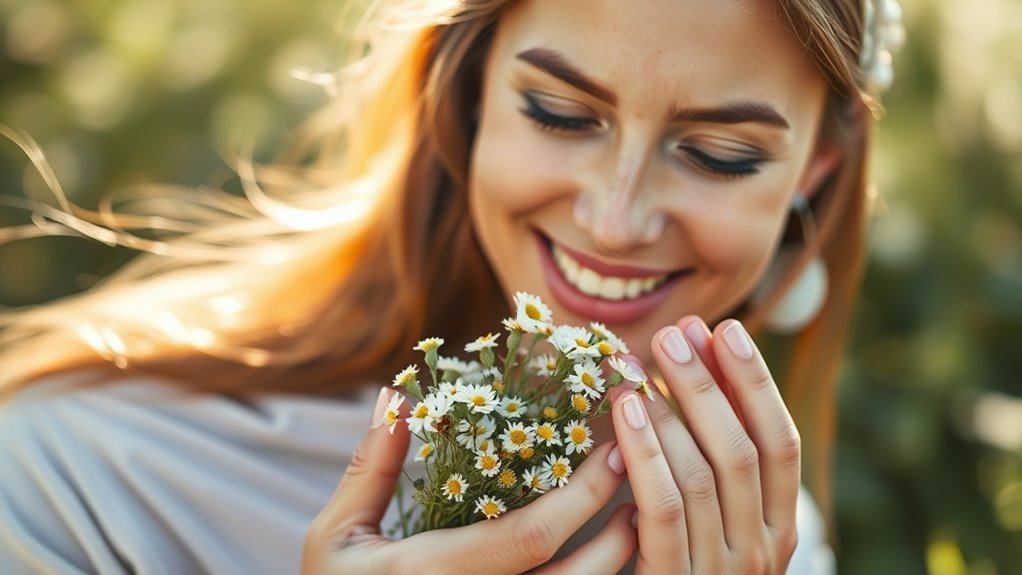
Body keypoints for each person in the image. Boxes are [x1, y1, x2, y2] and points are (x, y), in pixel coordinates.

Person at [0, 0, 904, 572]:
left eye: (720, 155)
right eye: (558, 112)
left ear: (813, 174)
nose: (615, 220)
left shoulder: (752, 533)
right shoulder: (74, 478)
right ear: (466, 92)